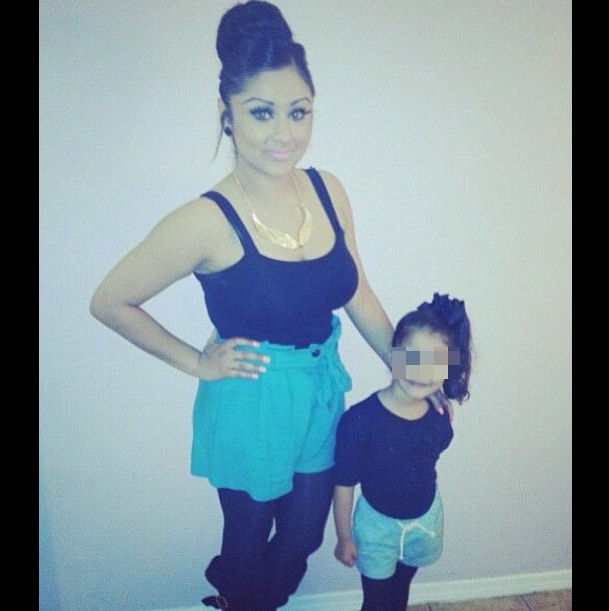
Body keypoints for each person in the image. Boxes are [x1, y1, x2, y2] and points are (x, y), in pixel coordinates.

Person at [89, 2, 450, 609]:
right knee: (248, 537)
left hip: (319, 389)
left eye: (298, 111)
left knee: (305, 534)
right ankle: (241, 598)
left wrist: (412, 369)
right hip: (250, 400)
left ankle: (247, 601)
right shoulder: (205, 220)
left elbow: (358, 292)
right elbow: (110, 300)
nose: (284, 133)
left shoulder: (328, 190)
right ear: (227, 114)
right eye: (262, 112)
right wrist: (196, 362)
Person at [332, 293, 472, 611]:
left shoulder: (439, 418)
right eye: (412, 358)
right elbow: (343, 484)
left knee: (400, 592)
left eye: (435, 362)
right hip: (377, 528)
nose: (421, 372)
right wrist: (344, 537)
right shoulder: (359, 422)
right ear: (394, 355)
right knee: (377, 602)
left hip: (425, 521)